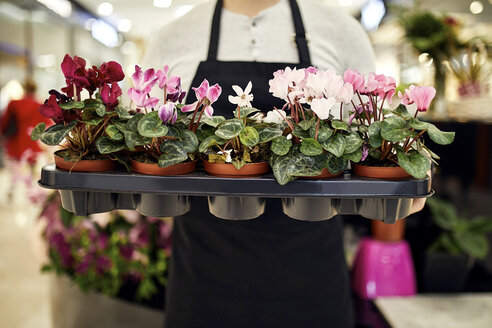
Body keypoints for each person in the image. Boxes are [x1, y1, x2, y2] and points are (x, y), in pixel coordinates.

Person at [144, 1, 426, 327]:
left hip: (312, 275)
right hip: (203, 273)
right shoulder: (173, 37)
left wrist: (404, 176)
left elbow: (369, 144)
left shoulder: (342, 32)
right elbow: (145, 149)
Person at [0, 79, 49, 164]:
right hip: (34, 144)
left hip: (16, 144)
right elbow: (48, 125)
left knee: (17, 173)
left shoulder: (13, 104)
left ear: (24, 88)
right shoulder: (40, 105)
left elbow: (4, 123)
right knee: (34, 174)